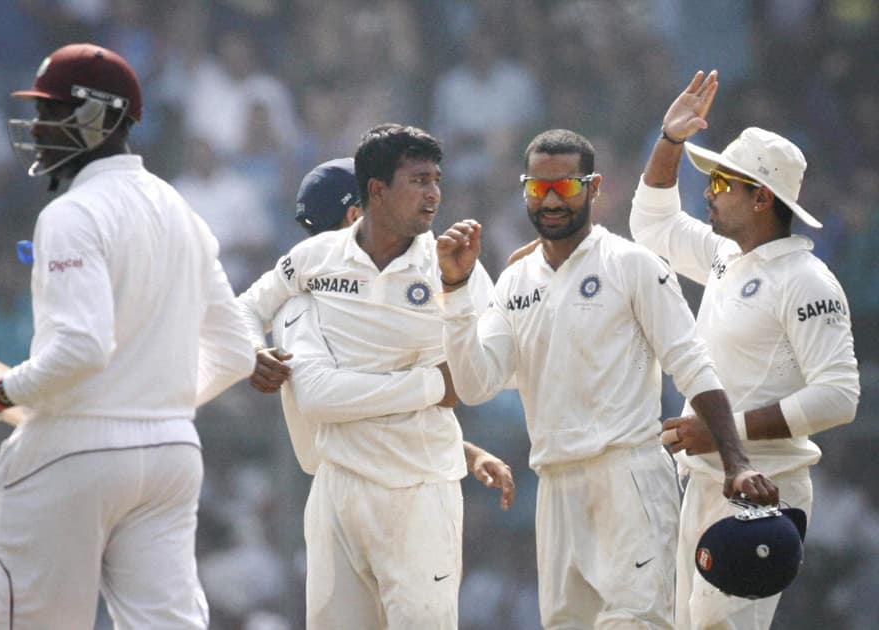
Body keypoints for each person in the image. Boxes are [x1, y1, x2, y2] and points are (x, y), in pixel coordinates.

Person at [0, 43, 254, 628]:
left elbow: (81, 349)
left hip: (73, 453)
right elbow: (234, 353)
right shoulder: (184, 212)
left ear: (97, 116)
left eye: (53, 112)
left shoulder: (73, 214)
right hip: (171, 452)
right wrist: (151, 403)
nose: (40, 127)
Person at [435, 127, 779, 628]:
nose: (552, 201)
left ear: (593, 188)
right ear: (525, 190)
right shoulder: (513, 282)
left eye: (566, 188)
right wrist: (457, 288)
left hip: (627, 476)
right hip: (554, 486)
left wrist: (736, 463)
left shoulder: (633, 265)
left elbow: (692, 364)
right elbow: (476, 384)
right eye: (539, 189)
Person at [237, 126, 499, 629]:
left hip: (420, 486)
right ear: (375, 191)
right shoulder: (316, 259)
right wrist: (252, 351)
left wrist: (461, 294)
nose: (434, 193)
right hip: (338, 486)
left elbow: (481, 374)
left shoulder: (448, 264)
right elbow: (246, 308)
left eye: (436, 180)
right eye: (419, 180)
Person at [630, 70, 860, 630]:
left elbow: (839, 396)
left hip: (761, 492)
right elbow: (651, 225)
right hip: (705, 480)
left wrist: (724, 431)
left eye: (720, 185)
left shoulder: (807, 280)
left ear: (761, 198)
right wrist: (669, 143)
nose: (707, 195)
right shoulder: (725, 258)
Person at [249, 156, 515, 504]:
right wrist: (436, 383)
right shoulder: (300, 301)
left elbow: (501, 365)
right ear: (356, 215)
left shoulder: (440, 261)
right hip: (345, 489)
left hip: (423, 478)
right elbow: (320, 398)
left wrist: (464, 450)